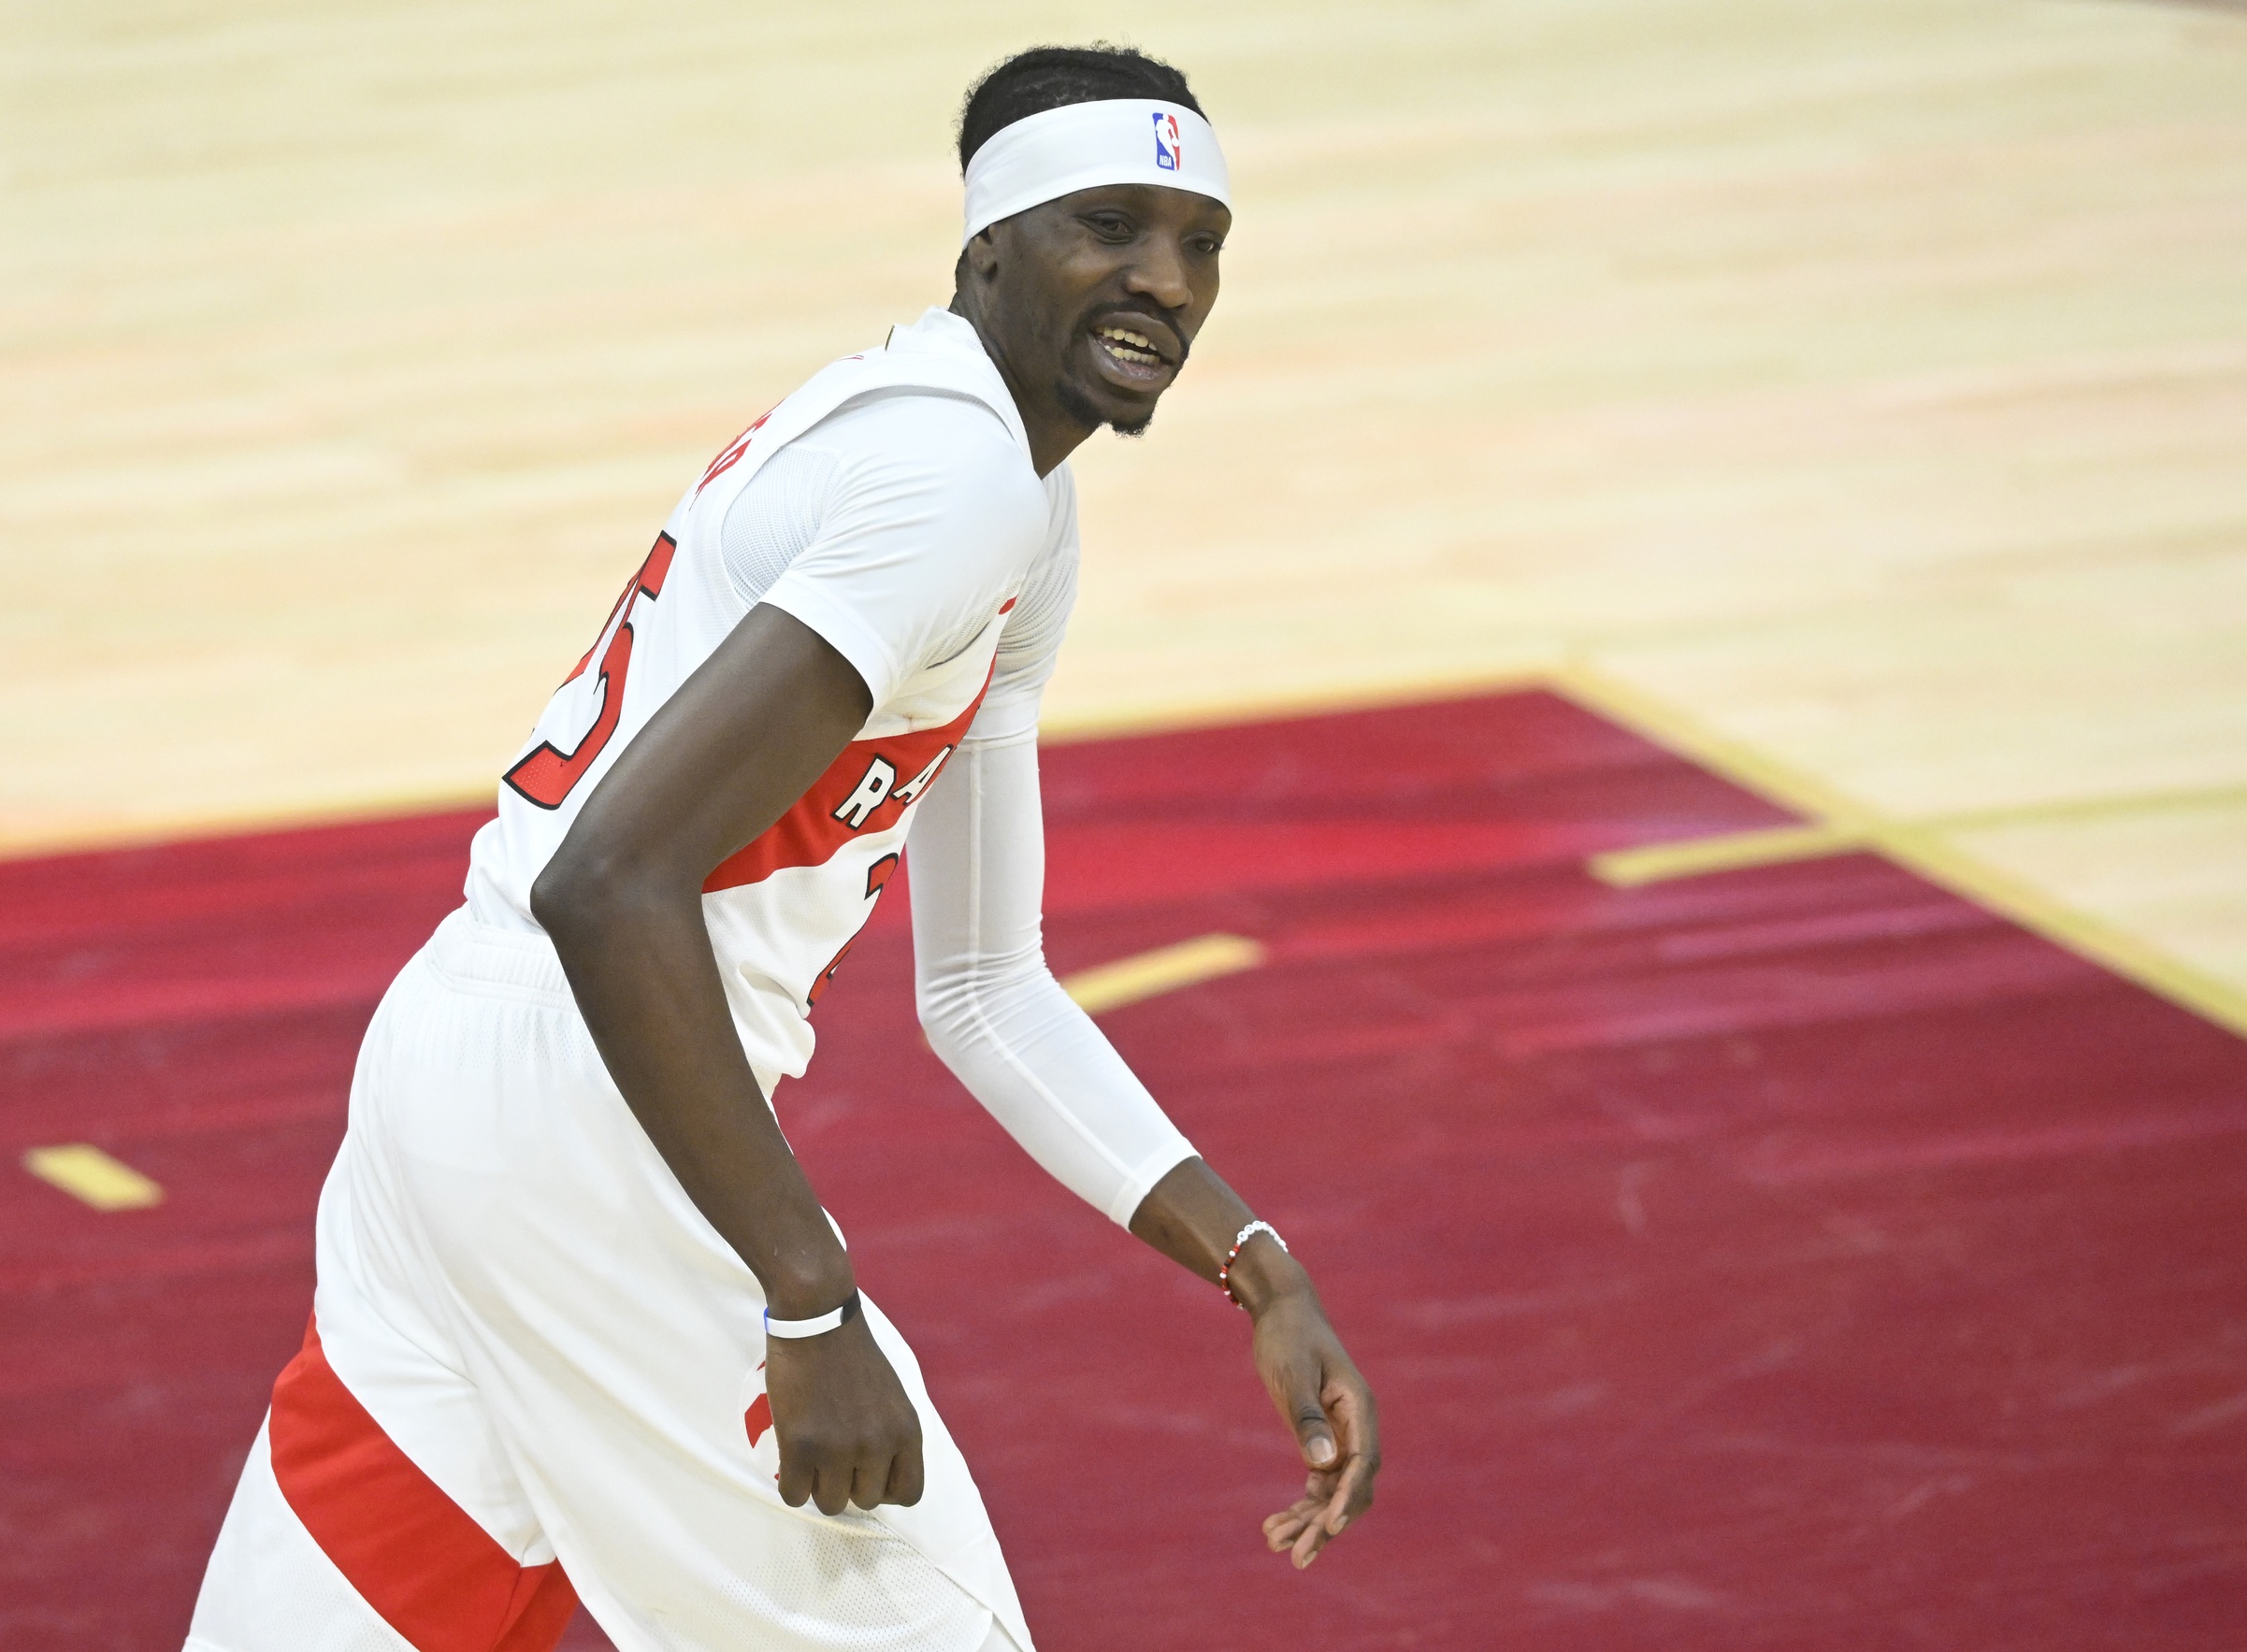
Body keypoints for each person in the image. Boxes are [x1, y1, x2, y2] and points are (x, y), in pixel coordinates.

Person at [185, 43, 1380, 1652]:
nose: (1163, 283)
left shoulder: (1012, 495)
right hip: (589, 1115)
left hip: (464, 1074)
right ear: (989, 249)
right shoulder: (952, 480)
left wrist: (1252, 1260)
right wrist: (806, 1297)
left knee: (357, 1613)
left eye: (1200, 242)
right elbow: (607, 881)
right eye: (1109, 227)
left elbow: (985, 985)